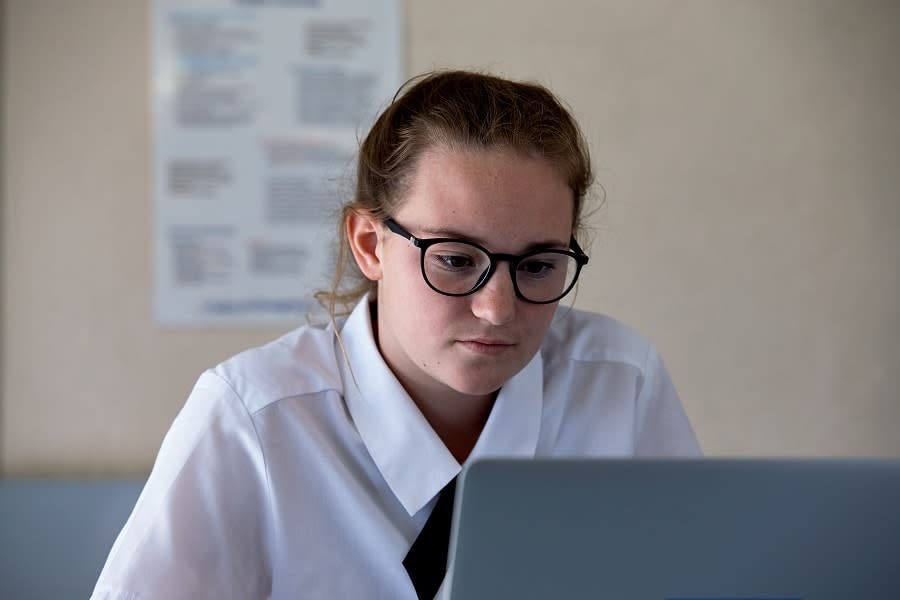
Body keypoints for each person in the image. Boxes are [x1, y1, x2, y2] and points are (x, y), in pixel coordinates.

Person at [91, 70, 699, 600]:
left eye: (538, 265)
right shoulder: (253, 420)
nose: (496, 309)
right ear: (369, 244)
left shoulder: (620, 383)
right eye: (456, 260)